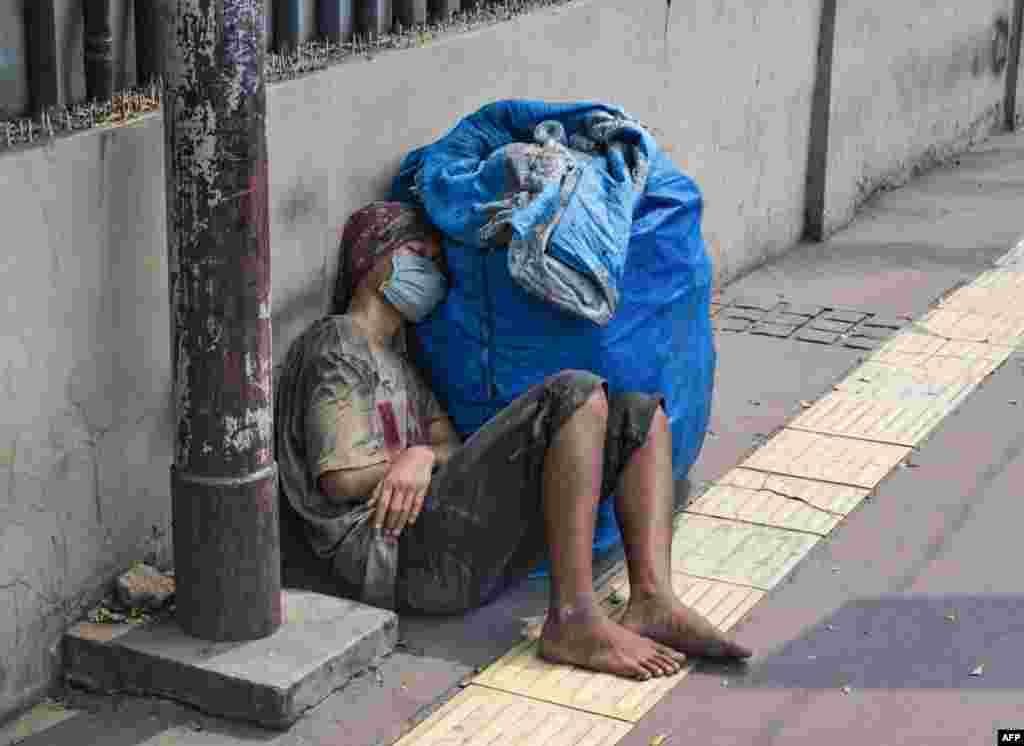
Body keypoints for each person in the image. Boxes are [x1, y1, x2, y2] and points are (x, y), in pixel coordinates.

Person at [275, 202, 751, 681]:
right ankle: (573, 619)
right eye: (418, 253)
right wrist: (412, 458)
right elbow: (340, 478)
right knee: (572, 395)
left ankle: (653, 599)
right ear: (371, 261)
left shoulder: (399, 362)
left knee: (640, 415)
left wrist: (420, 456)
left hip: (439, 545)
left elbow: (449, 444)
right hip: (392, 556)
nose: (432, 269)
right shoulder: (337, 342)